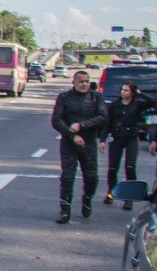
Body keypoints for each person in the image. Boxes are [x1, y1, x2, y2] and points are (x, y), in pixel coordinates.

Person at [51, 70, 108, 224]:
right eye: (81, 81)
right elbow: (56, 120)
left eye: (87, 81)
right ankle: (65, 210)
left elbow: (103, 117)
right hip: (70, 142)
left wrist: (82, 125)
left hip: (89, 142)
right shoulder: (64, 97)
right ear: (74, 83)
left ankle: (87, 198)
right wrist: (72, 135)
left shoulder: (97, 97)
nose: (84, 84)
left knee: (91, 178)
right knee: (67, 177)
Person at [100, 81, 155, 211]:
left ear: (132, 92)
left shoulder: (137, 104)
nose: (123, 92)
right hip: (116, 137)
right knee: (112, 168)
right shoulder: (114, 105)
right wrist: (102, 140)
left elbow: (152, 102)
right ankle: (110, 193)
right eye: (122, 90)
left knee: (130, 167)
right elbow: (108, 123)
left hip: (131, 138)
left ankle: (129, 199)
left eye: (126, 90)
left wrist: (140, 94)